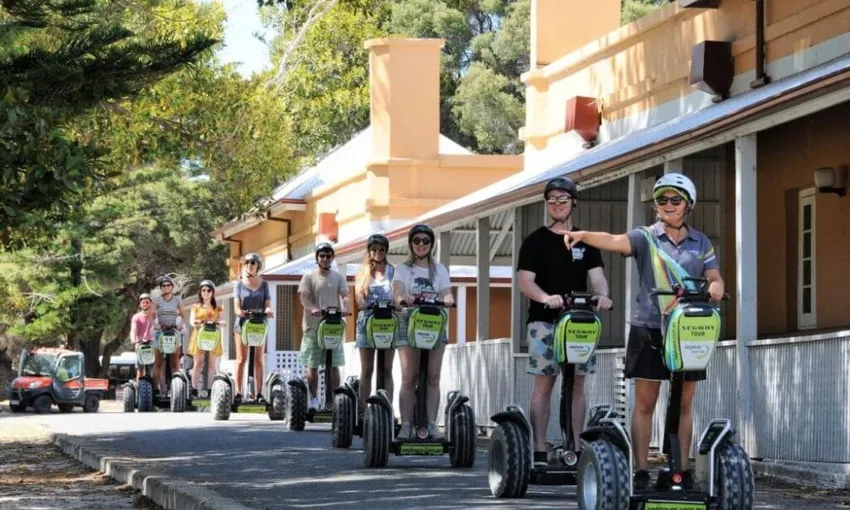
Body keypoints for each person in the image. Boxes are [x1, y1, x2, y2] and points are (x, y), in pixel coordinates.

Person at [563, 172, 725, 491]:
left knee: (685, 403)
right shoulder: (645, 237)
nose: (667, 204)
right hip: (648, 327)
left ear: (688, 205)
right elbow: (613, 240)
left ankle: (679, 470)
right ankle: (640, 471)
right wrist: (583, 234)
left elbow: (715, 276)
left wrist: (716, 287)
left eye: (674, 200)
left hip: (686, 331)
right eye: (661, 199)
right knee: (645, 403)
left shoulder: (701, 242)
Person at [516, 176, 613, 468]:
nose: (558, 204)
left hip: (579, 322)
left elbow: (598, 278)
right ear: (547, 204)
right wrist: (546, 297)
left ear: (573, 202)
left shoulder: (584, 241)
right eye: (552, 200)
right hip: (545, 321)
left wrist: (603, 297)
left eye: (563, 199)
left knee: (578, 383)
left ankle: (575, 446)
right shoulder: (535, 241)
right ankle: (539, 448)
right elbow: (525, 282)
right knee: (545, 383)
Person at [392, 224, 454, 440]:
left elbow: (447, 292)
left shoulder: (440, 270)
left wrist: (448, 299)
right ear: (411, 244)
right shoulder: (402, 269)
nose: (421, 245)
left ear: (431, 244)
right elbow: (397, 291)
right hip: (409, 322)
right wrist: (402, 298)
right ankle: (407, 425)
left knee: (433, 377)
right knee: (409, 377)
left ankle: (431, 425)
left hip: (434, 324)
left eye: (425, 241)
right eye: (416, 241)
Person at [298, 242, 350, 410]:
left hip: (332, 327)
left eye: (328, 255)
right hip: (313, 327)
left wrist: (346, 307)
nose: (325, 258)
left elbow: (345, 295)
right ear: (317, 258)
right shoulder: (309, 277)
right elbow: (304, 297)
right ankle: (313, 399)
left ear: (332, 258)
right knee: (312, 364)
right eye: (322, 256)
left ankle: (334, 401)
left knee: (335, 365)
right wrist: (313, 308)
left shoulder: (338, 277)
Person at [353, 233, 396, 421]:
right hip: (367, 321)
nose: (378, 253)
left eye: (381, 249)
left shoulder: (394, 271)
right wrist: (363, 304)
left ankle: (387, 408)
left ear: (386, 250)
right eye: (374, 249)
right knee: (367, 369)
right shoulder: (362, 272)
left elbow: (399, 293)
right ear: (369, 251)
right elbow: (359, 296)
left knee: (387, 368)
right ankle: (362, 410)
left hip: (388, 322)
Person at [233, 252, 274, 404]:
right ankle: (238, 392)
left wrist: (268, 311)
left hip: (258, 325)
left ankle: (258, 393)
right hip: (242, 324)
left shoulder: (264, 284)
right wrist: (240, 312)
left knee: (258, 359)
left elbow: (268, 304)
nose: (249, 265)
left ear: (258, 266)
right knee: (241, 359)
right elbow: (236, 307)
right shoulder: (238, 284)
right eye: (247, 263)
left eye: (253, 263)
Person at [187, 280, 225, 397]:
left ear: (212, 292)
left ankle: (209, 389)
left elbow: (222, 320)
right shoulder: (196, 307)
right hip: (199, 336)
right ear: (200, 292)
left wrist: (221, 322)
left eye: (209, 290)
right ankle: (193, 389)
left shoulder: (218, 308)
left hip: (212, 337)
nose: (206, 292)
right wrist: (196, 322)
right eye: (203, 290)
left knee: (212, 364)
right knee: (198, 363)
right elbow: (192, 321)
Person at [153, 276, 184, 394]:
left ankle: (176, 389)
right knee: (159, 362)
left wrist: (180, 324)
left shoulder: (177, 300)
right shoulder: (157, 300)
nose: (166, 287)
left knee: (174, 363)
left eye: (168, 285)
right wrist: (156, 325)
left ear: (172, 287)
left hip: (173, 331)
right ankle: (156, 389)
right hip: (161, 331)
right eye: (164, 286)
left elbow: (183, 315)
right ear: (161, 288)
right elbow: (151, 316)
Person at [130, 293, 157, 380]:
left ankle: (157, 388)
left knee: (156, 367)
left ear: (150, 303)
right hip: (141, 343)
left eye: (147, 302)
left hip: (153, 343)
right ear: (140, 304)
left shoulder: (155, 315)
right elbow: (133, 329)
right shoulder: (136, 317)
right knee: (140, 368)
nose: (145, 304)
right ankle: (139, 388)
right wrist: (133, 339)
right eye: (143, 302)